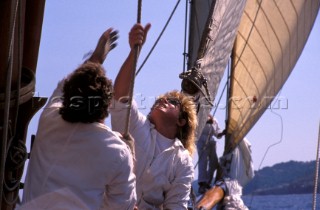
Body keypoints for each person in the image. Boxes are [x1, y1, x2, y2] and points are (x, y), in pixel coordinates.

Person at [20, 28, 136, 210]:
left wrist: (96, 58)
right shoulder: (118, 152)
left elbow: (67, 84)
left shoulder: (50, 117)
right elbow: (121, 207)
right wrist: (130, 156)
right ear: (106, 107)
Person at [110, 23, 198, 209]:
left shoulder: (182, 161)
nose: (164, 100)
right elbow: (120, 96)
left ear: (182, 121)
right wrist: (135, 51)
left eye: (172, 102)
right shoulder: (135, 125)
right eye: (161, 98)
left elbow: (176, 206)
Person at [197, 114, 224, 195]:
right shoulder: (199, 116)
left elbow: (217, 134)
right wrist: (207, 122)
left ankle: (208, 182)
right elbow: (197, 127)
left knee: (214, 163)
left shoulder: (215, 120)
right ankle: (202, 184)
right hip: (202, 142)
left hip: (211, 143)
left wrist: (222, 133)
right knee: (203, 162)